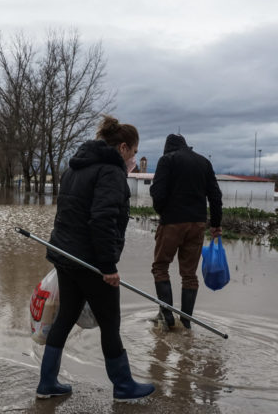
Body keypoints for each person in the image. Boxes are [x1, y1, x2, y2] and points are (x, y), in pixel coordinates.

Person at [35, 115, 155, 402]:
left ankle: (47, 383)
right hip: (90, 262)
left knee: (66, 316)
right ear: (123, 147)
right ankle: (124, 387)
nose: (134, 160)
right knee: (110, 321)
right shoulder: (110, 172)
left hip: (65, 256)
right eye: (135, 153)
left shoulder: (74, 168)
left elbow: (66, 214)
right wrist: (108, 267)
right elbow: (102, 220)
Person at [149, 134, 223, 329]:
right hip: (198, 223)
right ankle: (186, 321)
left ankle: (167, 316)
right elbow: (216, 195)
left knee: (160, 266)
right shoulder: (203, 162)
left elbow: (157, 193)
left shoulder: (167, 160)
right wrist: (216, 224)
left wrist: (163, 213)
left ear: (167, 148)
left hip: (172, 222)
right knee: (189, 274)